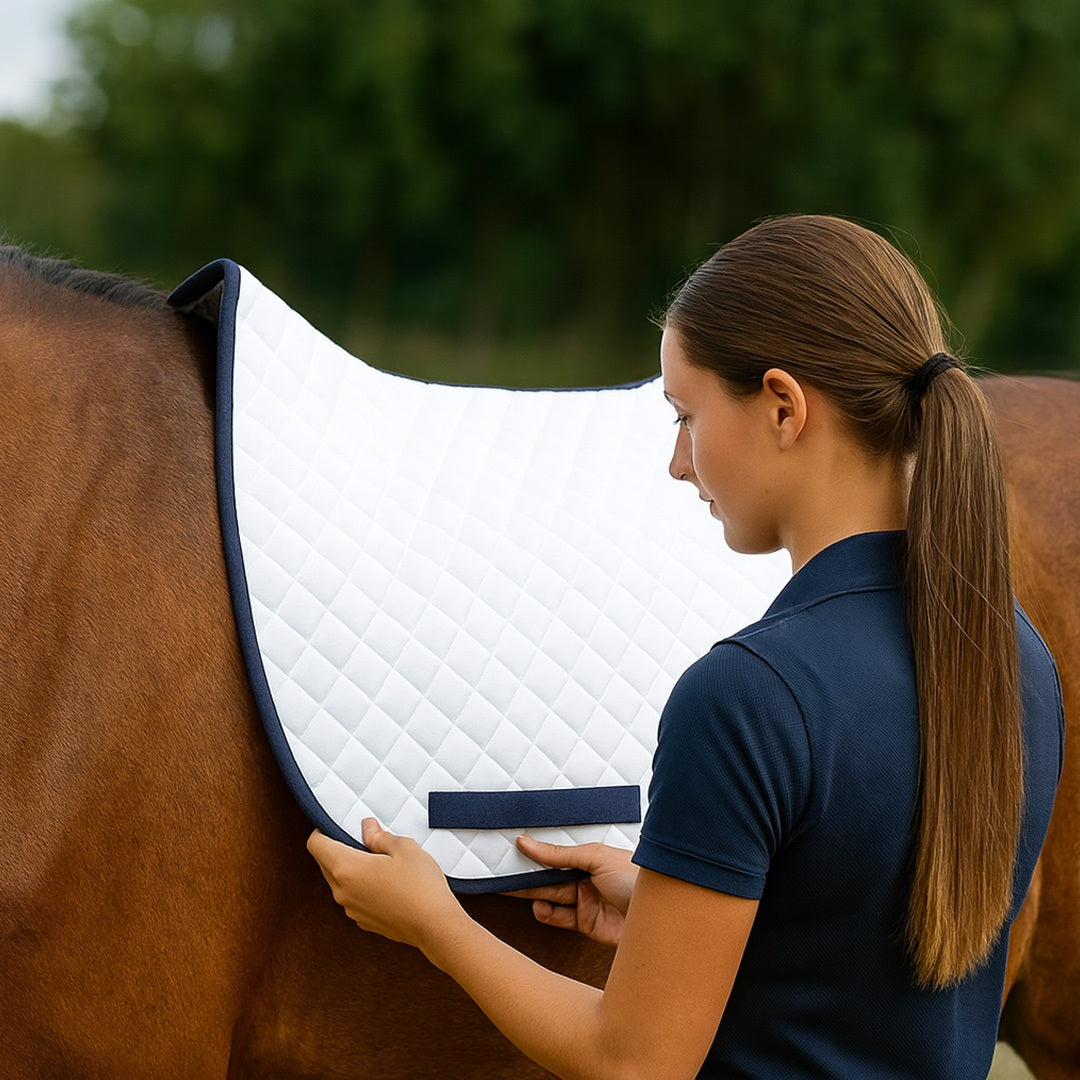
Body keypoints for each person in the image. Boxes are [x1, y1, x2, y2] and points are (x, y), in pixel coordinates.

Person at [306, 214, 1064, 1079]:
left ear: (783, 407)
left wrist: (434, 923)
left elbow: (632, 1063)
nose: (676, 462)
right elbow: (872, 959)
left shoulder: (748, 695)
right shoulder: (1018, 661)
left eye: (685, 414)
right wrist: (686, 900)